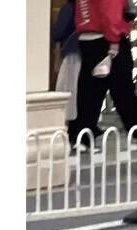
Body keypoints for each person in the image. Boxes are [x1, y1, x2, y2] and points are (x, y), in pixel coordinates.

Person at [73, 0, 137, 146]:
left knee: (89, 92)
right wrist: (114, 40)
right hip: (107, 40)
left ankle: (83, 137)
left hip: (87, 37)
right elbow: (111, 10)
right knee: (123, 91)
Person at [52, 0, 85, 142]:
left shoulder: (69, 8)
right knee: (79, 92)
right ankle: (79, 128)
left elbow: (58, 32)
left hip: (71, 52)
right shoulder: (86, 8)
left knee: (68, 91)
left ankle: (69, 127)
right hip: (86, 52)